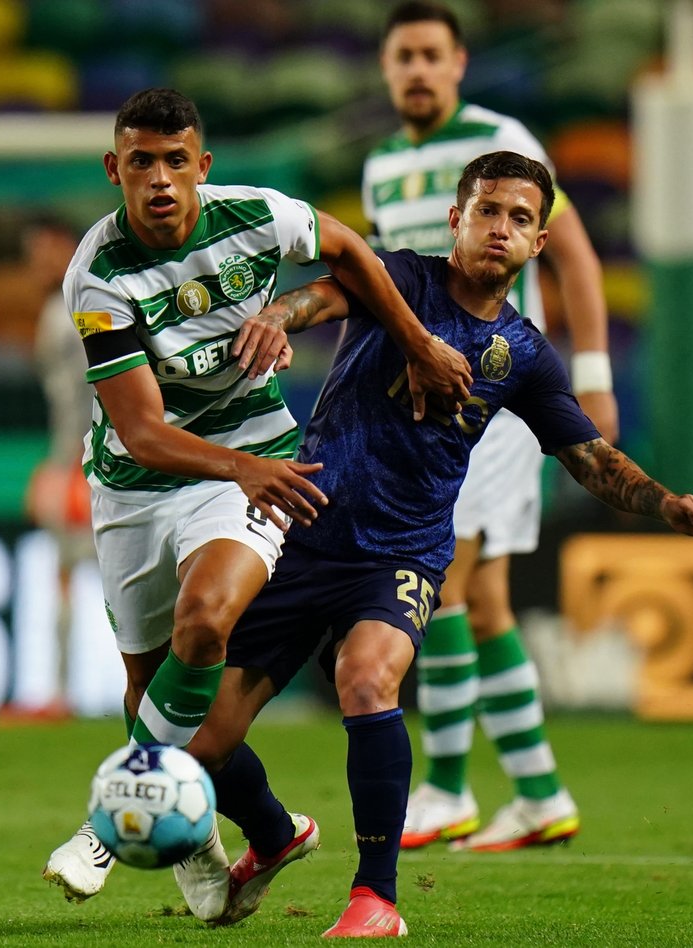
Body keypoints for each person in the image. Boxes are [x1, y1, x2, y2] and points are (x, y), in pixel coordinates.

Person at [179, 152, 693, 937]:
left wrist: (669, 504)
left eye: (518, 218)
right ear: (456, 221)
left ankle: (376, 899)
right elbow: (328, 294)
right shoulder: (404, 278)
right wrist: (279, 316)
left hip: (402, 553)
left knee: (367, 679)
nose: (499, 228)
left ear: (538, 243)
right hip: (305, 533)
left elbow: (590, 458)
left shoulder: (526, 355)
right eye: (487, 211)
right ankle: (274, 834)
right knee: (207, 740)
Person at [39, 87, 472, 919]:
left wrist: (416, 343)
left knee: (206, 622)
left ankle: (103, 827)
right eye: (141, 163)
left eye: (175, 162)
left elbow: (351, 250)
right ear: (114, 170)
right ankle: (260, 835)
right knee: (150, 693)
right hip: (140, 483)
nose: (160, 180)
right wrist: (237, 466)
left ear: (203, 166)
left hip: (260, 462)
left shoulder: (259, 217)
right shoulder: (97, 276)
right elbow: (139, 431)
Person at [364, 1, 620, 853]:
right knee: (484, 604)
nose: (418, 70)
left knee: (440, 586)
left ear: (460, 63)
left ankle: (441, 789)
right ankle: (541, 794)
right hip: (421, 408)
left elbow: (575, 254)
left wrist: (591, 375)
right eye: (404, 56)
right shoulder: (379, 167)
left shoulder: (502, 138)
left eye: (433, 54)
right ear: (386, 67)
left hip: (495, 397)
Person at [0, 214, 86, 723]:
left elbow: (89, 397)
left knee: (78, 576)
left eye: (41, 251)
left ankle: (59, 692)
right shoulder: (72, 307)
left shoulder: (69, 312)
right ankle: (59, 690)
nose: (35, 263)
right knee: (72, 574)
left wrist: (69, 466)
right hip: (88, 459)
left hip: (94, 465)